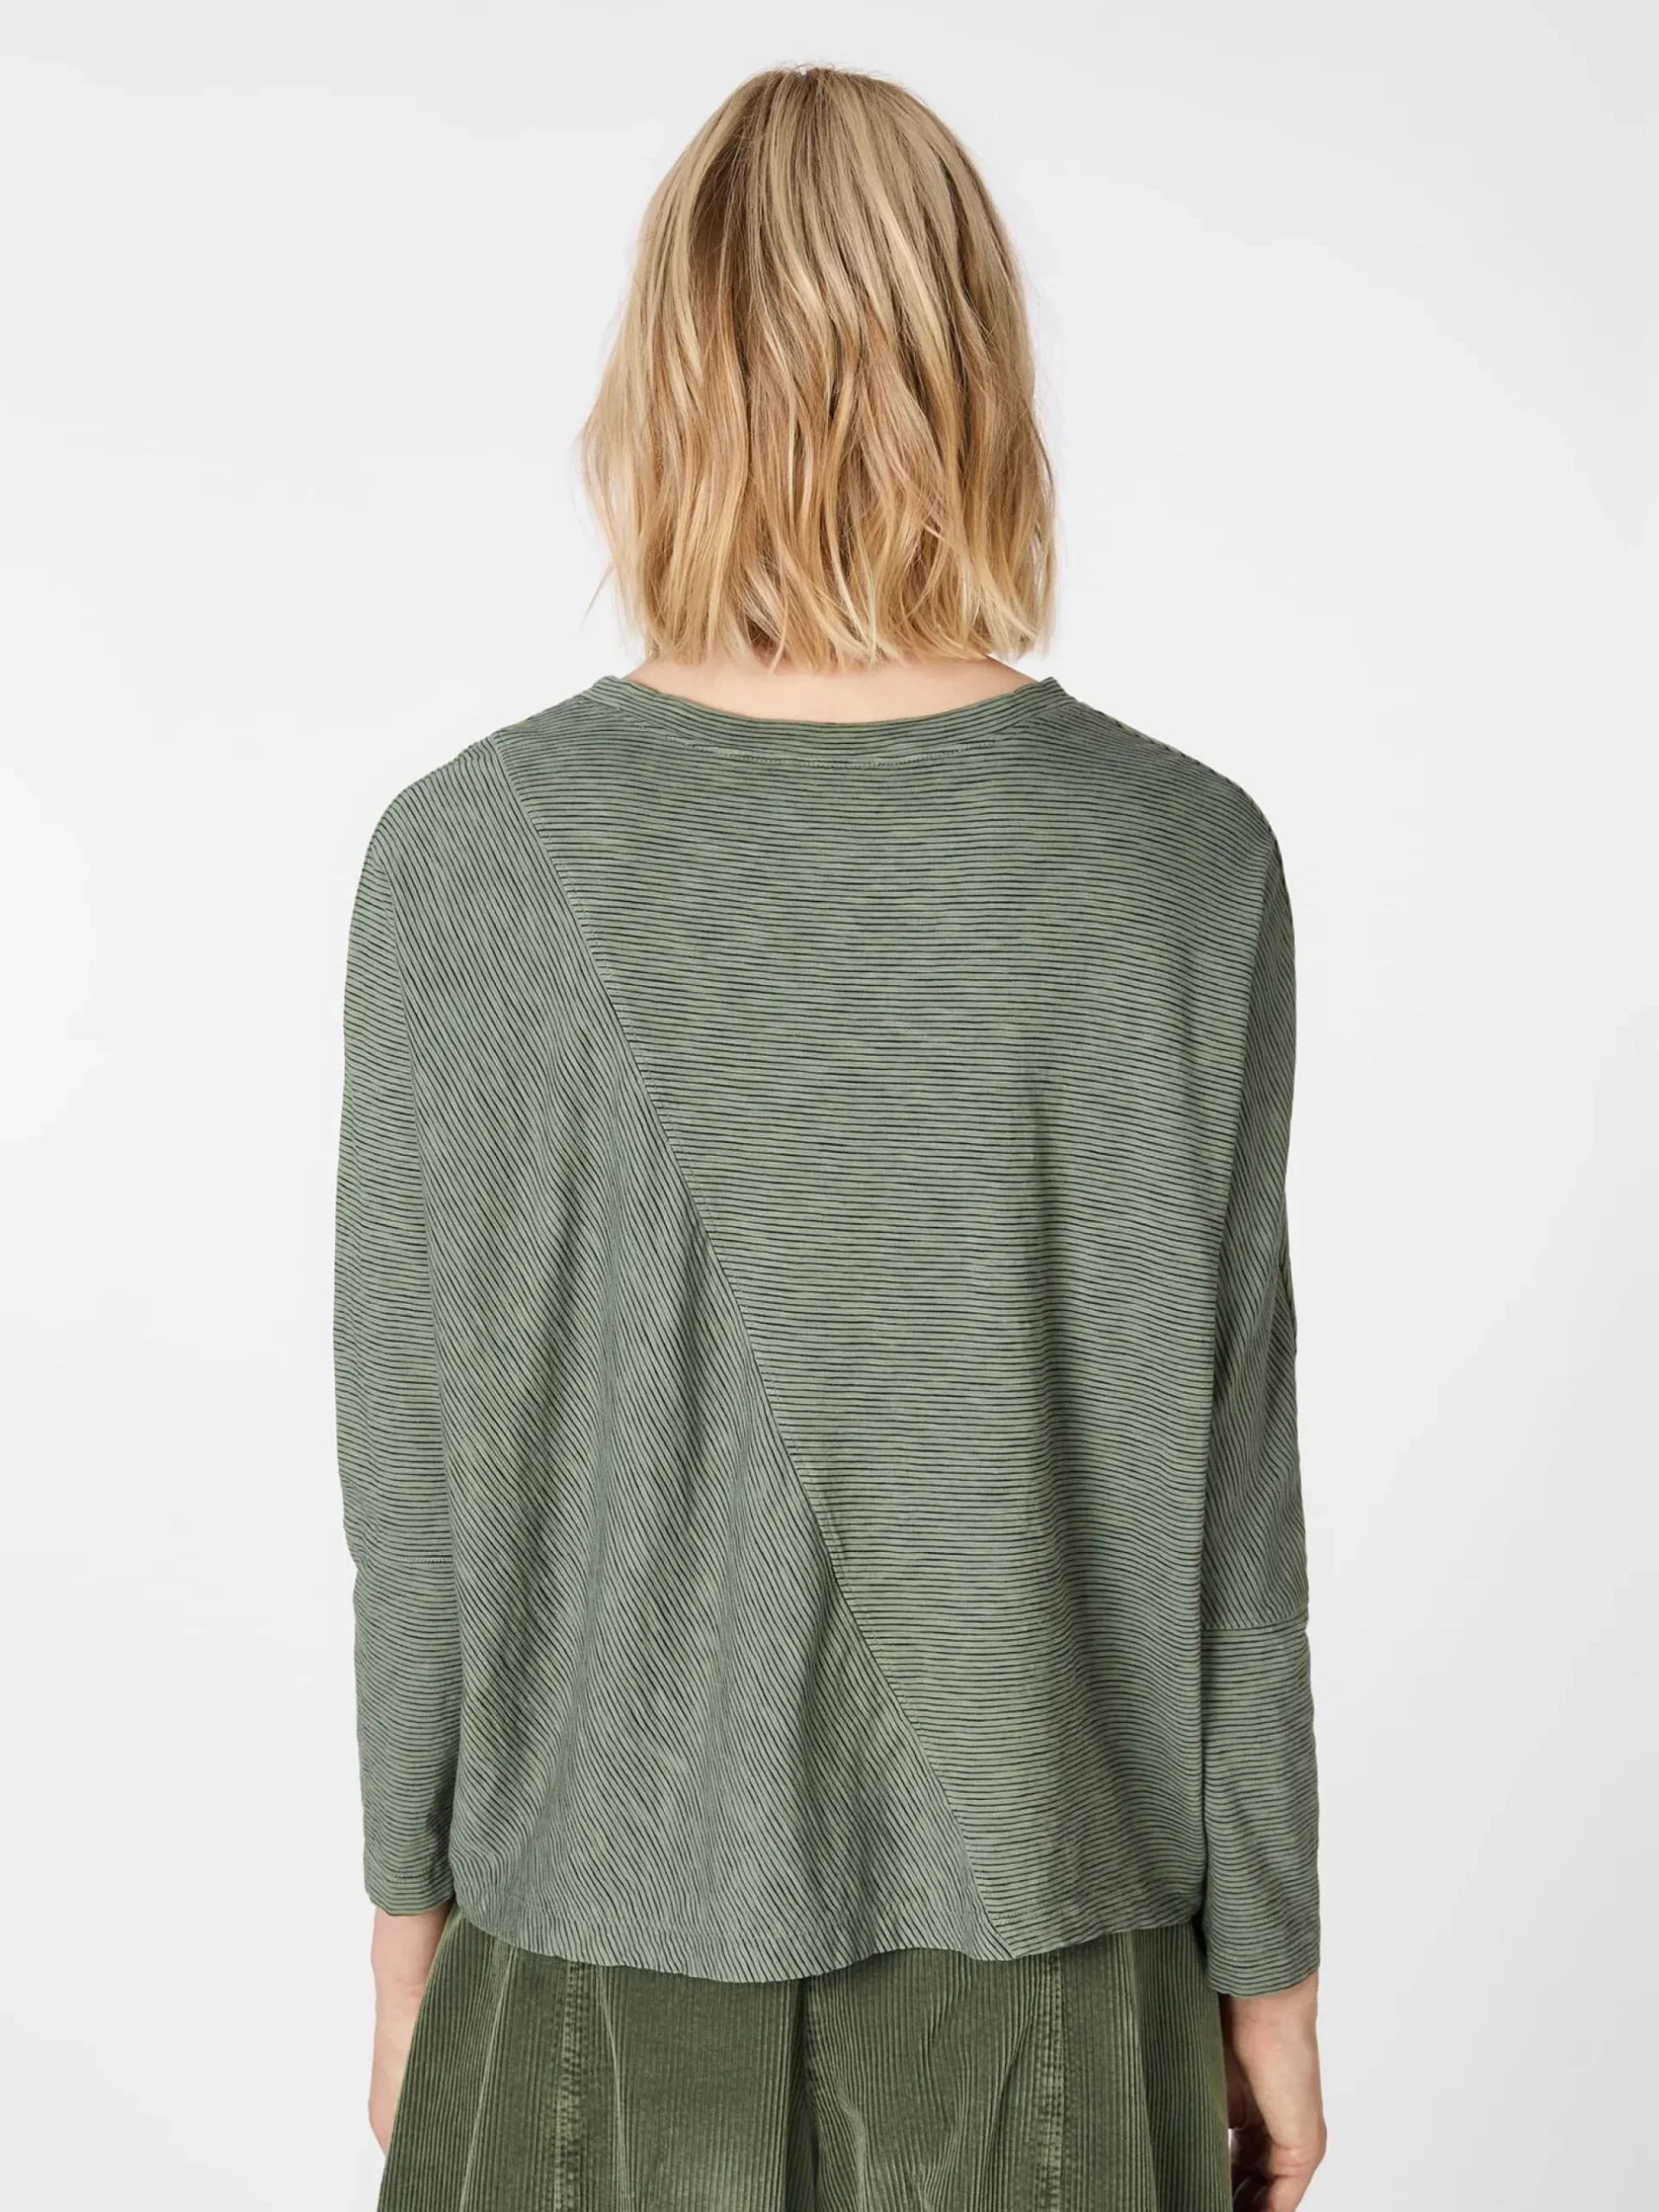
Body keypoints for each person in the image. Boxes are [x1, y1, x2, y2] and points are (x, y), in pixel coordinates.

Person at [332, 61, 1326, 2212]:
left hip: (583, 1965)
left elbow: (413, 1479)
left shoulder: (468, 859)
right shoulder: (1180, 861)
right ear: (982, 374)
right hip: (1057, 1986)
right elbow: (1231, 1494)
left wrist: (407, 1924)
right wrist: (1271, 1976)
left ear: (662, 384)